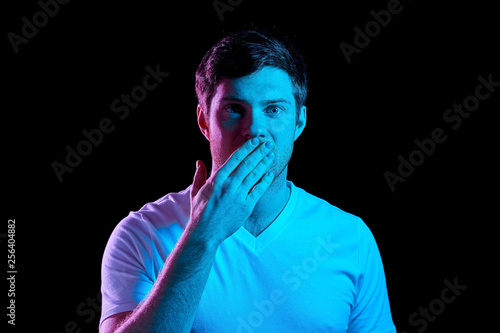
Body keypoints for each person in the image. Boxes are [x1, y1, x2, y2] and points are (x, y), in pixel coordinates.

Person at [99, 29, 396, 333]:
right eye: (234, 110)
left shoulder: (350, 237)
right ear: (204, 121)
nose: (254, 129)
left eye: (274, 109)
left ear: (299, 122)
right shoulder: (141, 234)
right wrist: (202, 237)